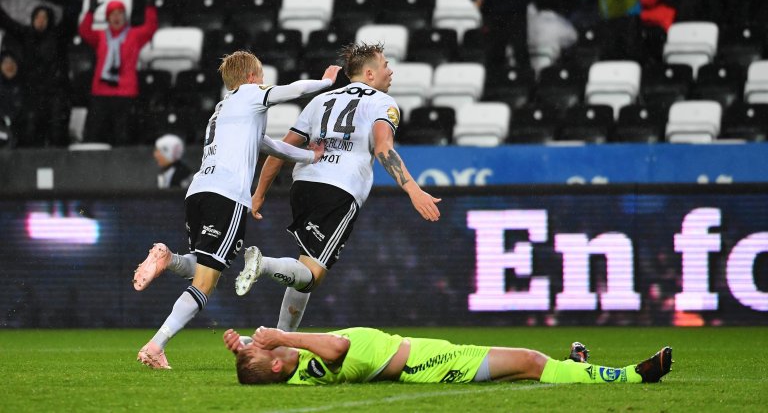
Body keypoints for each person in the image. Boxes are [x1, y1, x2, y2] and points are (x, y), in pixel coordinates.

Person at [132, 51, 342, 369]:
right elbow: (293, 91)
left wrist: (309, 157)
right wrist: (326, 82)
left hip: (199, 192)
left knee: (204, 265)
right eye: (260, 76)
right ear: (249, 77)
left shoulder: (222, 110)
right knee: (205, 283)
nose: (263, 82)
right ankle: (155, 345)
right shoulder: (250, 94)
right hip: (226, 196)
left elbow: (268, 145)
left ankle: (168, 259)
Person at [233, 42, 442, 333]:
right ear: (370, 74)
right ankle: (264, 264)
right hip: (338, 189)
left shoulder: (320, 101)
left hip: (303, 186)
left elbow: (280, 149)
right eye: (385, 66)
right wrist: (413, 189)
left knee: (305, 266)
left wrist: (259, 194)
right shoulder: (384, 103)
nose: (390, 71)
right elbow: (383, 148)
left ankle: (281, 340)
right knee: (312, 275)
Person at [223, 326, 673, 385]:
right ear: (280, 362)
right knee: (533, 363)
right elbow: (338, 346)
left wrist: (241, 346)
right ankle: (635, 376)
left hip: (427, 359)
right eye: (269, 350)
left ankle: (575, 366)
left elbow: (267, 360)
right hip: (429, 364)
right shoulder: (316, 359)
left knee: (522, 372)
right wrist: (283, 334)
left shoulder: (296, 372)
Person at [78, 0, 157, 145]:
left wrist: (149, 6)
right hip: (100, 91)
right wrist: (91, 11)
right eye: (112, 14)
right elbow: (84, 31)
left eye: (120, 13)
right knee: (95, 134)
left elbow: (150, 28)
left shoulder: (134, 35)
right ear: (107, 18)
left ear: (125, 17)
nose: (116, 17)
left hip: (125, 92)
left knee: (123, 135)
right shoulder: (100, 35)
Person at [0, 3, 71, 147]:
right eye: (37, 17)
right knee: (31, 131)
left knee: (56, 132)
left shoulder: (57, 37)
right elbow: (7, 22)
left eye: (44, 17)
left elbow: (70, 20)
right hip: (33, 93)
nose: (40, 20)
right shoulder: (27, 35)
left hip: (54, 94)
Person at [457, 0, 531, 69]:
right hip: (491, 9)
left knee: (520, 52)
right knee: (494, 55)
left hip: (516, 7)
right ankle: (494, 82)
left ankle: (523, 82)